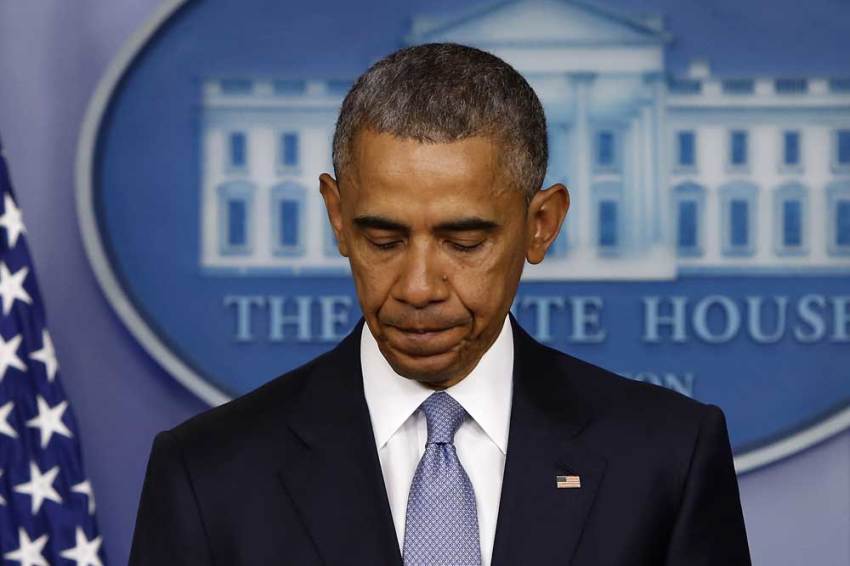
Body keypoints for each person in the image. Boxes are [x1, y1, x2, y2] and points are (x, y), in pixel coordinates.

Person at [129, 43, 751, 565]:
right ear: (337, 217)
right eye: (384, 240)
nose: (419, 286)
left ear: (541, 225)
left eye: (464, 242)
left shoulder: (668, 458)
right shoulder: (207, 474)